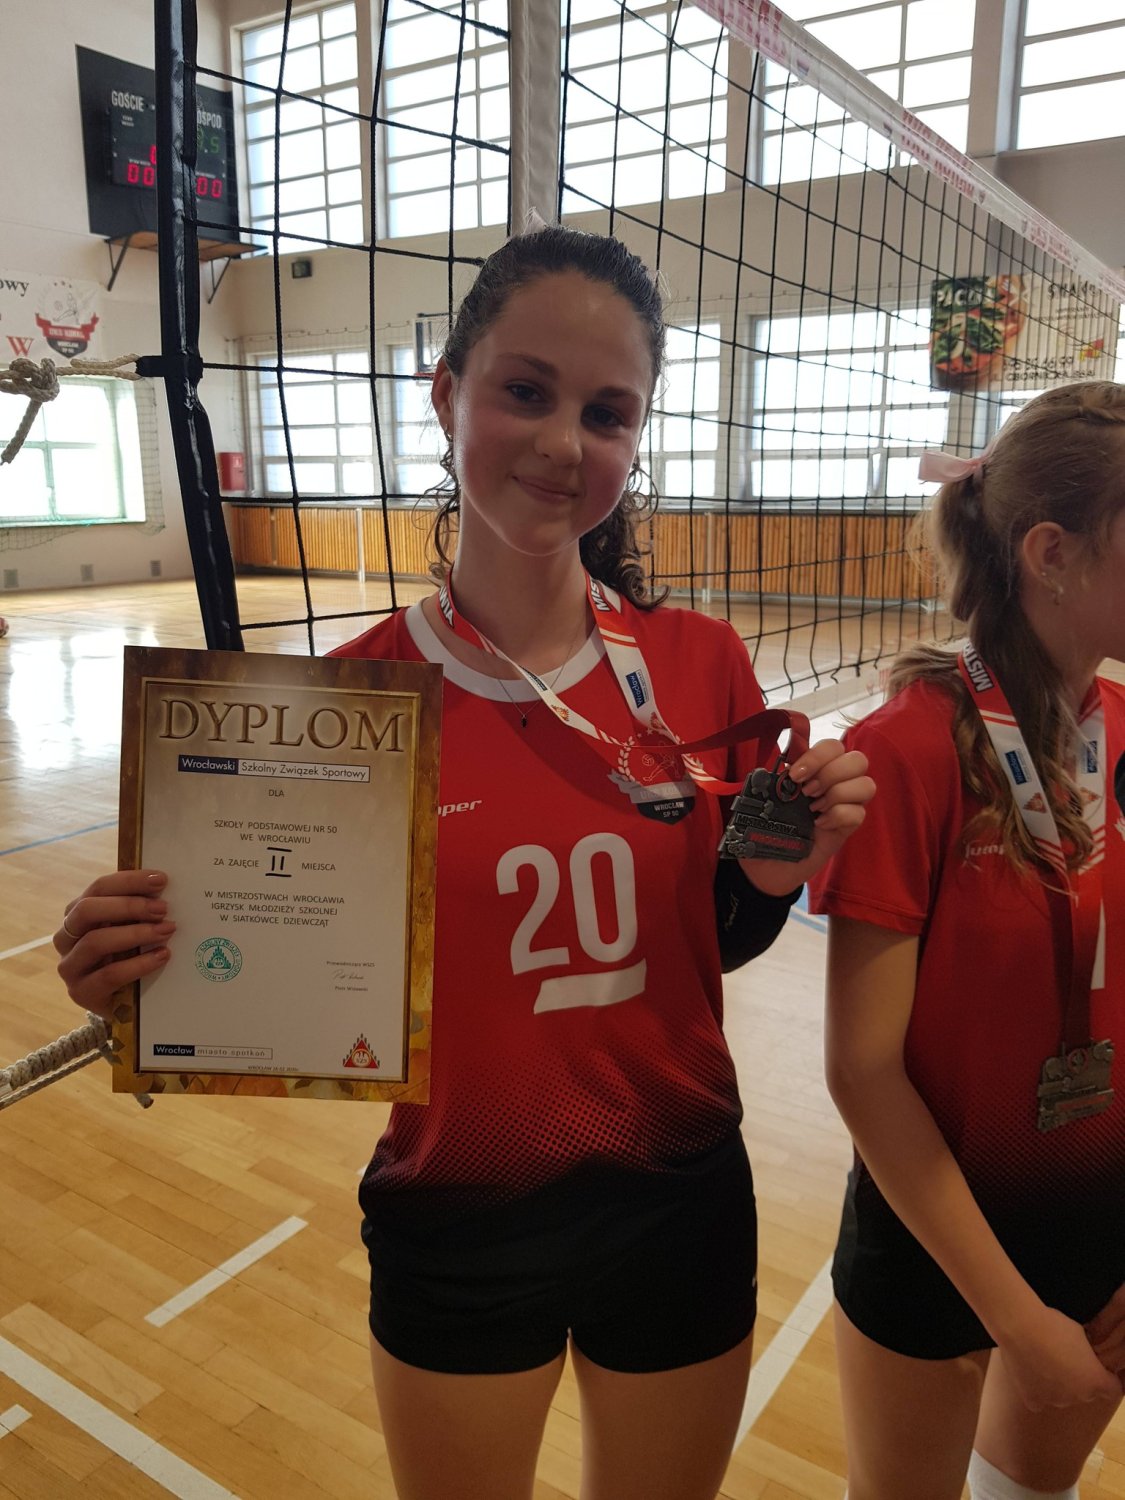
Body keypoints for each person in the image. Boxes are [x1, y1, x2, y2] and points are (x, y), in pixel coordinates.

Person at [53, 224, 873, 1500]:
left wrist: (770, 873)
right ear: (447, 395)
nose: (564, 443)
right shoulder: (344, 709)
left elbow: (699, 945)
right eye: (525, 391)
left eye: (607, 413)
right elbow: (259, 972)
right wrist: (139, 971)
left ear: (637, 437)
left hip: (679, 1195)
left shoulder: (701, 663)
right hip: (457, 1210)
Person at [808, 380, 1125, 1500]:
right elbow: (861, 1069)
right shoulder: (906, 751)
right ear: (1051, 553)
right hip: (935, 1236)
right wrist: (1016, 1320)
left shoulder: (1123, 732)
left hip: (1099, 1218)